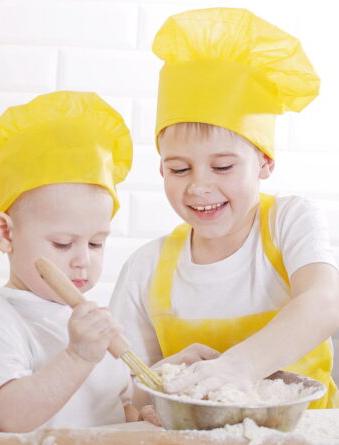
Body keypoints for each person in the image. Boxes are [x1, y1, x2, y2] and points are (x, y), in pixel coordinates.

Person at [110, 7, 339, 410]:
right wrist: (161, 378)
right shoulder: (145, 270)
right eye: (179, 168)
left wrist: (238, 366)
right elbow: (121, 394)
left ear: (264, 162)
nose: (199, 185)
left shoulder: (290, 221)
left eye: (223, 166)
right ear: (161, 168)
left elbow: (325, 302)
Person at [0, 90, 139, 432]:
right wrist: (78, 356)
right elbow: (8, 419)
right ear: (4, 234)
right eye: (63, 243)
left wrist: (143, 409)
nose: (83, 260)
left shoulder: (90, 321)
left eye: (97, 243)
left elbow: (113, 407)